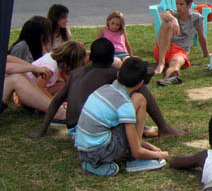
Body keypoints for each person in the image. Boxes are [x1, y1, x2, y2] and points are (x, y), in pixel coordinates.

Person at [31, 38, 186, 140]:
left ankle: (150, 129)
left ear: (90, 58)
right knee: (140, 89)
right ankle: (163, 127)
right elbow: (141, 79)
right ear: (112, 59)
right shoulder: (111, 74)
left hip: (73, 132)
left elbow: (55, 101)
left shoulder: (76, 74)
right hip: (92, 131)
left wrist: (42, 131)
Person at [74, 56, 169, 176]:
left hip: (84, 151)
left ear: (118, 74)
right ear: (140, 84)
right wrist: (160, 155)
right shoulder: (125, 105)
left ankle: (93, 164)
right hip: (101, 151)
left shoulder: (103, 89)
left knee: (128, 115)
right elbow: (136, 151)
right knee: (140, 99)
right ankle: (134, 162)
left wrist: (148, 146)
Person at [153, 0, 209, 85]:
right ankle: (161, 63)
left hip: (180, 51)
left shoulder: (196, 18)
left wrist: (206, 54)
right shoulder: (173, 13)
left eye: (181, 4)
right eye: (177, 4)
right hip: (163, 48)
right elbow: (164, 14)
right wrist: (174, 20)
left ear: (189, 5)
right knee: (168, 23)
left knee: (176, 63)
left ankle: (169, 78)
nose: (178, 7)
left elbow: (201, 36)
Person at [2, 55, 66, 119]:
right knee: (16, 79)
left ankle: (56, 108)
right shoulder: (51, 65)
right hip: (21, 96)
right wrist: (33, 68)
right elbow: (5, 67)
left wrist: (32, 67)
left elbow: (6, 58)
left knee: (18, 75)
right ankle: (58, 112)